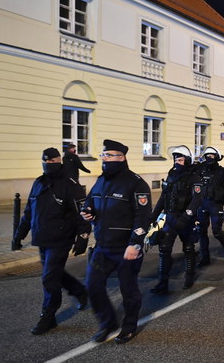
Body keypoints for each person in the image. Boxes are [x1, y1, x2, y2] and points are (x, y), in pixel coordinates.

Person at [12, 147, 90, 335]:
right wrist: (19, 235)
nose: (48, 164)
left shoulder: (70, 184)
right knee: (54, 274)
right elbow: (29, 212)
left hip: (61, 238)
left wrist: (83, 237)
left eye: (52, 162)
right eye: (45, 162)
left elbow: (83, 213)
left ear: (59, 161)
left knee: (49, 278)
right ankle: (79, 291)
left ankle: (48, 316)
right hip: (42, 237)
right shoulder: (38, 183)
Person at [80, 139, 151, 344]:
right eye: (104, 155)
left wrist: (135, 243)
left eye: (110, 156)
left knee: (128, 290)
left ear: (122, 157)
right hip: (103, 246)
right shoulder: (101, 181)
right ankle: (107, 323)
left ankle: (128, 327)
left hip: (126, 247)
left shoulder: (136, 183)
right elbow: (89, 201)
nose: (105, 159)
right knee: (92, 286)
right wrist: (87, 212)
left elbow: (143, 216)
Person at [150, 145, 203, 295]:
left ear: (187, 160)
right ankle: (162, 283)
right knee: (164, 249)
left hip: (186, 219)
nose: (177, 162)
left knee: (188, 248)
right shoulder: (171, 175)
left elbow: (197, 199)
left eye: (180, 159)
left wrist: (186, 217)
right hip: (170, 217)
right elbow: (163, 197)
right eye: (175, 159)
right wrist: (153, 216)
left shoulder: (194, 177)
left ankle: (189, 276)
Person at [195, 146, 224, 267]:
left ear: (217, 157)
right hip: (202, 204)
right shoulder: (200, 169)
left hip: (216, 205)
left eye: (212, 156)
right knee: (201, 231)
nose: (209, 158)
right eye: (207, 156)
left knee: (216, 231)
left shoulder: (223, 172)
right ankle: (204, 257)